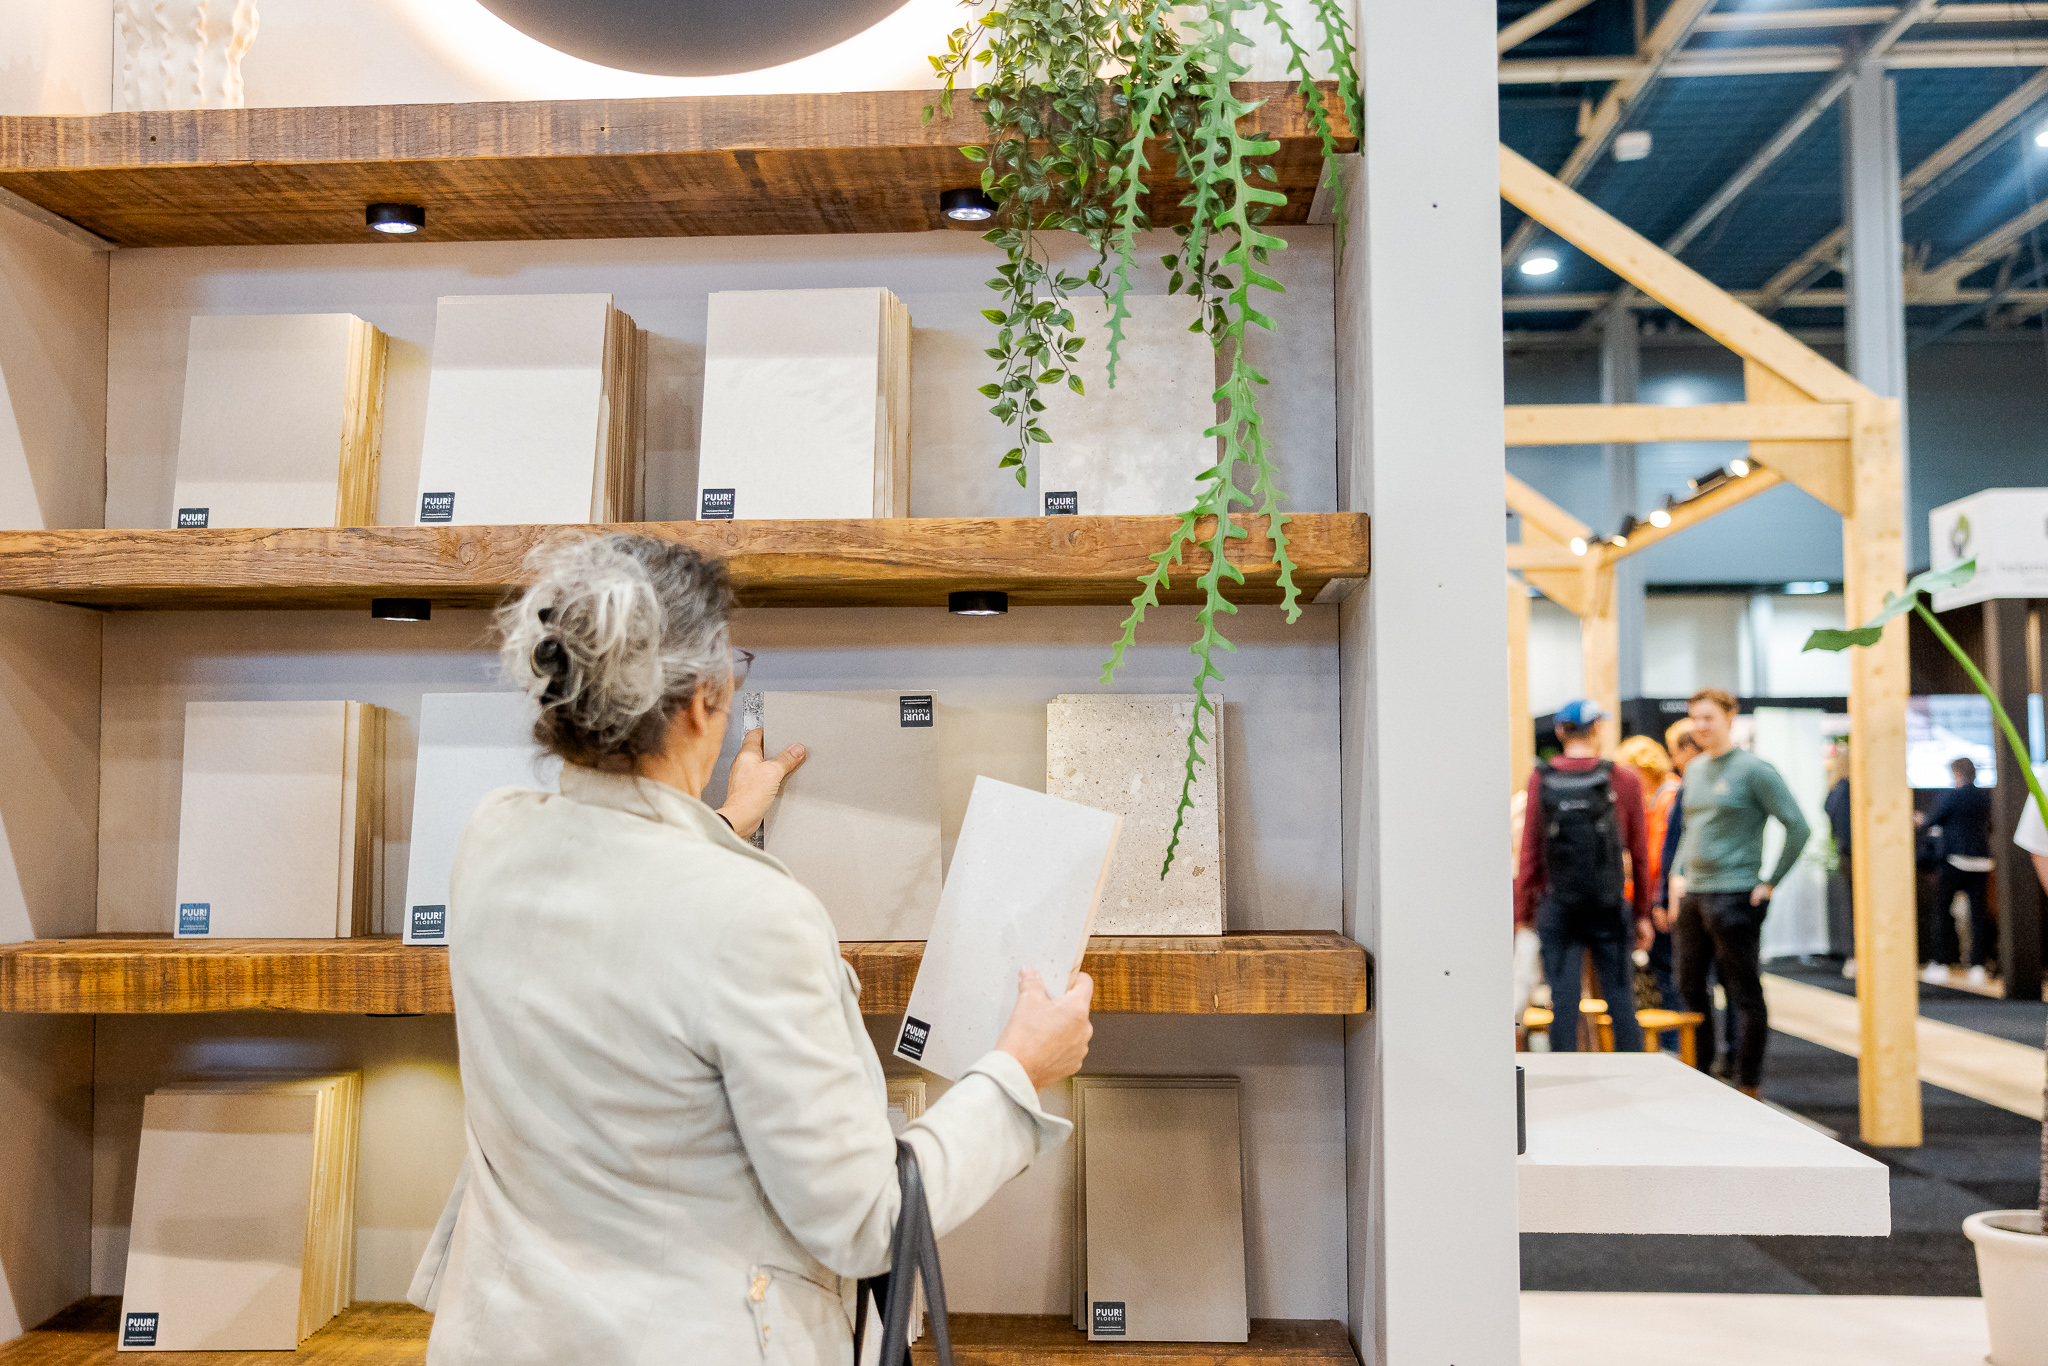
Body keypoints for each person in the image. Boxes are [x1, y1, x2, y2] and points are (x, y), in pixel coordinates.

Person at [410, 534, 1094, 1364]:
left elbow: (627, 899)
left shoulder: (491, 839)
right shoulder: (758, 916)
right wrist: (1019, 1073)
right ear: (704, 698)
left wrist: (722, 819)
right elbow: (867, 1222)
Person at [1671, 688, 1810, 1097]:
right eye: (1695, 718)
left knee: (1743, 992)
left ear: (1730, 717)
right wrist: (1677, 878)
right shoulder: (1694, 770)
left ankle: (1747, 1082)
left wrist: (1769, 882)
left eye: (1708, 718)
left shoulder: (1755, 771)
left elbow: (1798, 827)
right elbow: (1689, 832)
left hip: (1736, 894)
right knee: (1690, 987)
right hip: (1694, 896)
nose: (1700, 726)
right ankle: (1700, 1076)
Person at [1515, 700, 1654, 1053]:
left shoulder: (1542, 778)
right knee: (1621, 998)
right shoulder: (1621, 778)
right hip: (1608, 903)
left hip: (1557, 904)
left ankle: (1568, 1081)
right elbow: (1639, 853)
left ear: (1561, 731)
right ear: (1597, 729)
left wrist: (1522, 912)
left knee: (1563, 1001)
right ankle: (1632, 1078)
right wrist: (1642, 914)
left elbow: (1530, 853)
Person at [1615, 733, 1682, 1021]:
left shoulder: (1670, 797)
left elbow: (1663, 856)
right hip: (1651, 899)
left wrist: (1658, 900)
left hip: (1665, 901)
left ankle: (1672, 1047)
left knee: (1671, 976)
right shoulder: (1651, 800)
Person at [1918, 756, 1995, 985]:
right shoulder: (1984, 796)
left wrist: (1921, 820)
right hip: (1981, 860)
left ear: (1957, 774)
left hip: (1954, 860)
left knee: (1942, 911)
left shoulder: (1953, 796)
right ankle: (1978, 966)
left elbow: (1932, 820)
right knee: (1977, 915)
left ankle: (1942, 962)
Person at [1823, 746, 1854, 974]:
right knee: (1857, 908)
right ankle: (1856, 956)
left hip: (1845, 854)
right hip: (1854, 855)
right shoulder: (1848, 790)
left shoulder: (1835, 790)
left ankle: (1854, 956)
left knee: (1851, 907)